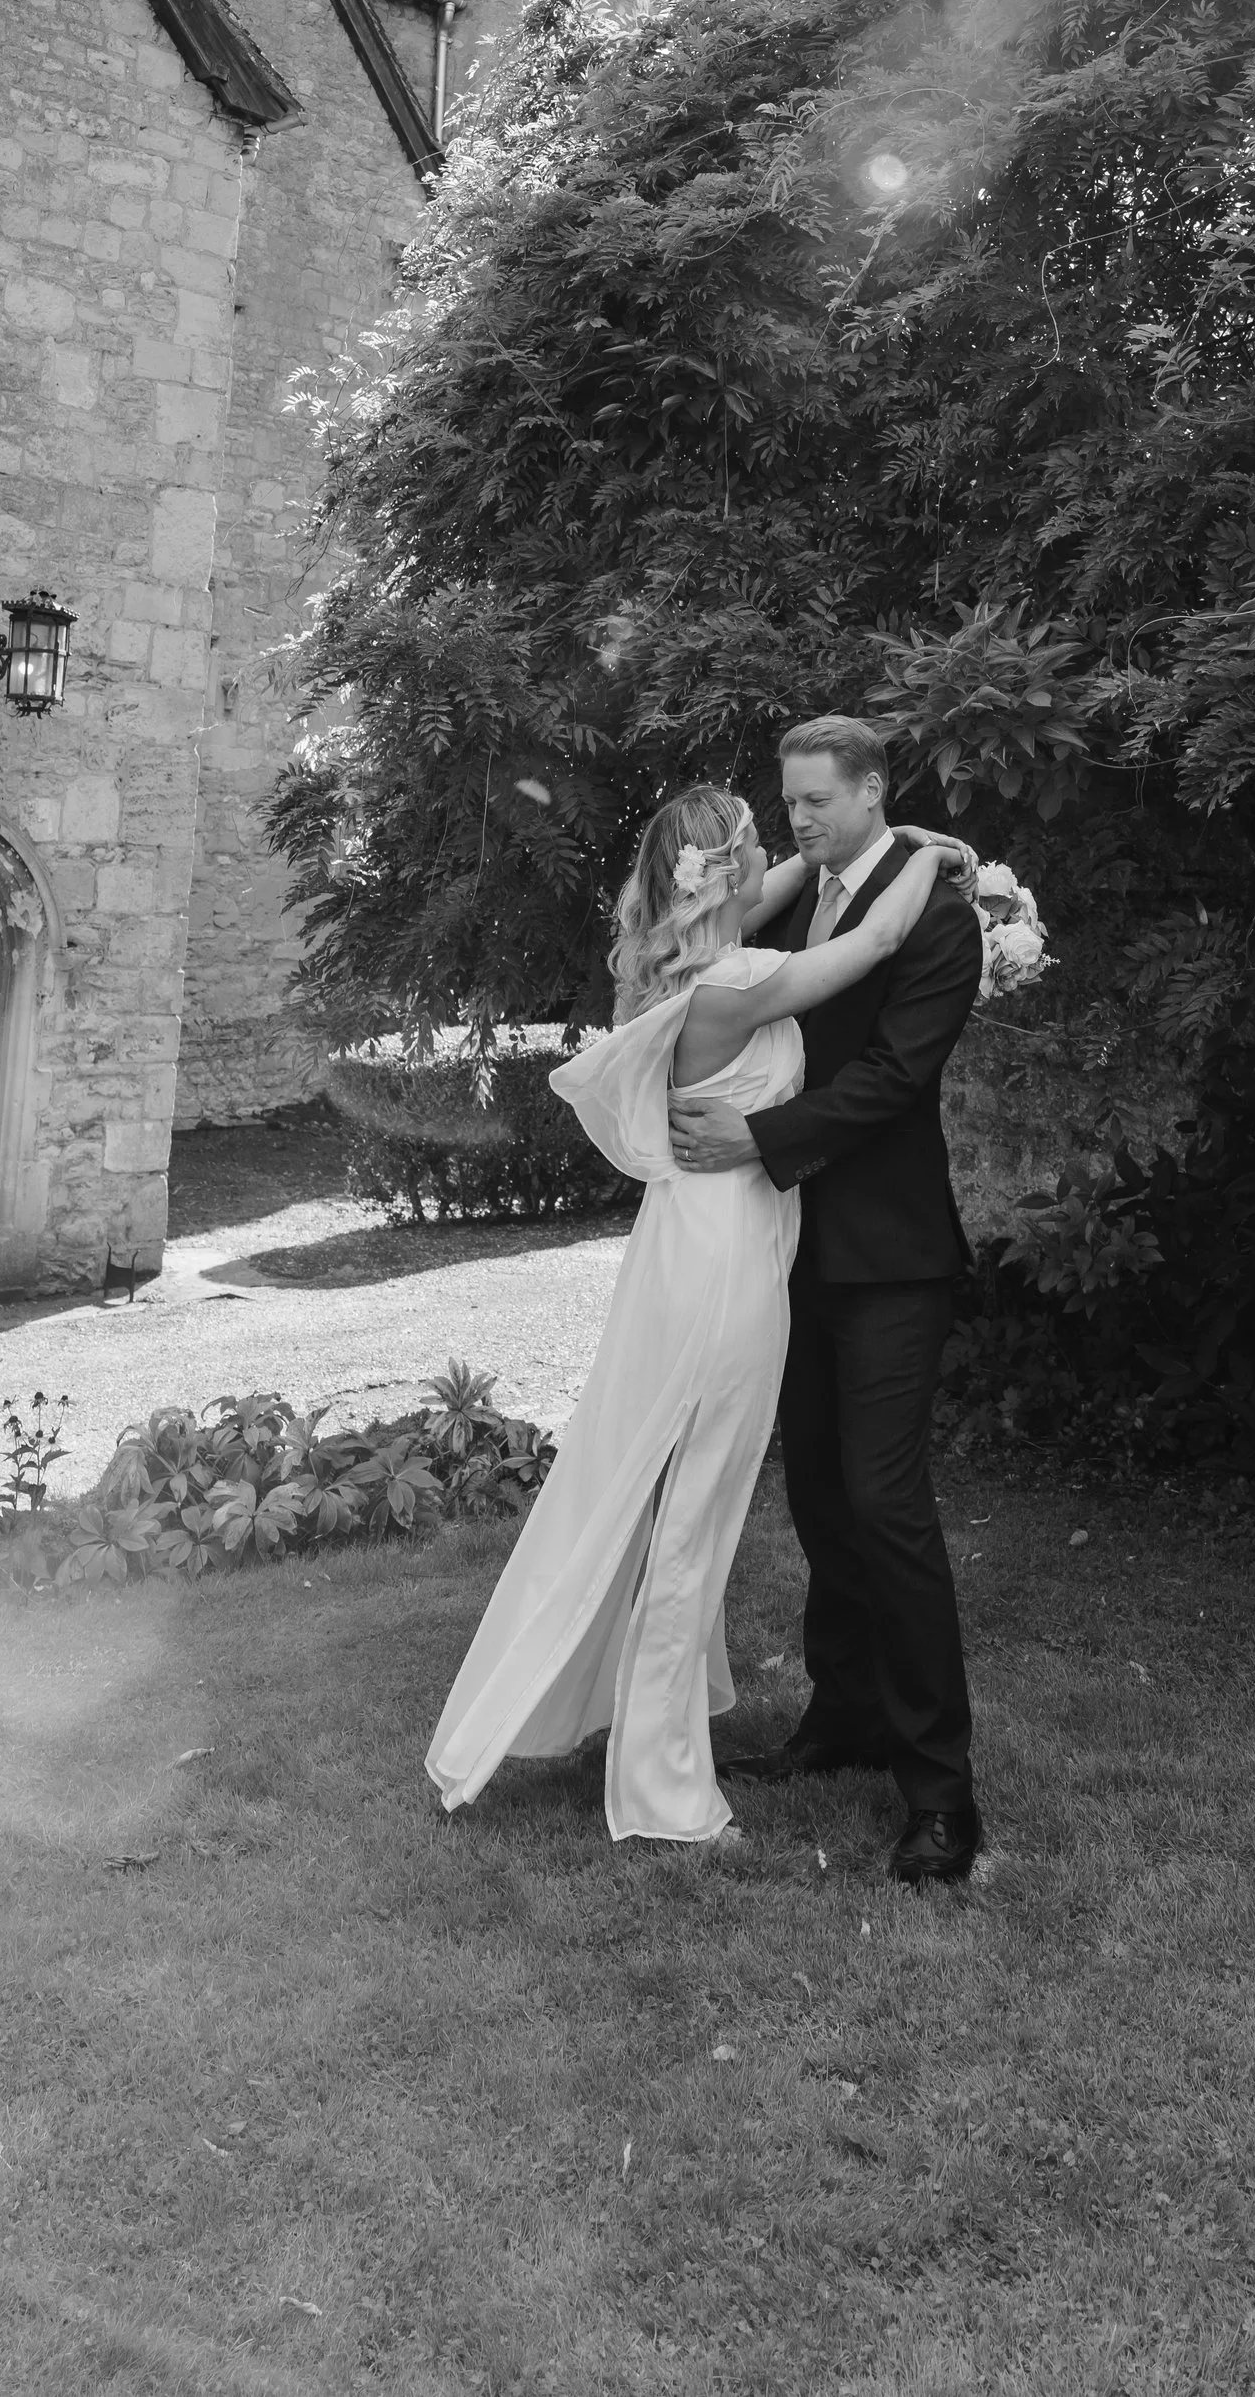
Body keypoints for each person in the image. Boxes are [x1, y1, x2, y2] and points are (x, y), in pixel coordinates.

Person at [424, 781, 971, 1847]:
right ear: (725, 872)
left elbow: (789, 880)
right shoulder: (744, 981)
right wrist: (919, 852)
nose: (782, 847)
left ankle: (642, 1741)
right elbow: (880, 938)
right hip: (728, 1269)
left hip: (685, 1251)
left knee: (665, 1504)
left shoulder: (676, 969)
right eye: (759, 843)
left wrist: (832, 850)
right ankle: (663, 1788)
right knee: (694, 1526)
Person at [669, 714, 985, 1889]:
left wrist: (755, 1139)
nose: (797, 817)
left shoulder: (936, 912)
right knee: (816, 1492)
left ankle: (940, 1791)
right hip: (790, 1245)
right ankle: (842, 1715)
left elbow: (895, 1078)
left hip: (891, 1253)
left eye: (817, 799)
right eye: (787, 798)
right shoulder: (804, 897)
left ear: (872, 793)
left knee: (888, 1502)